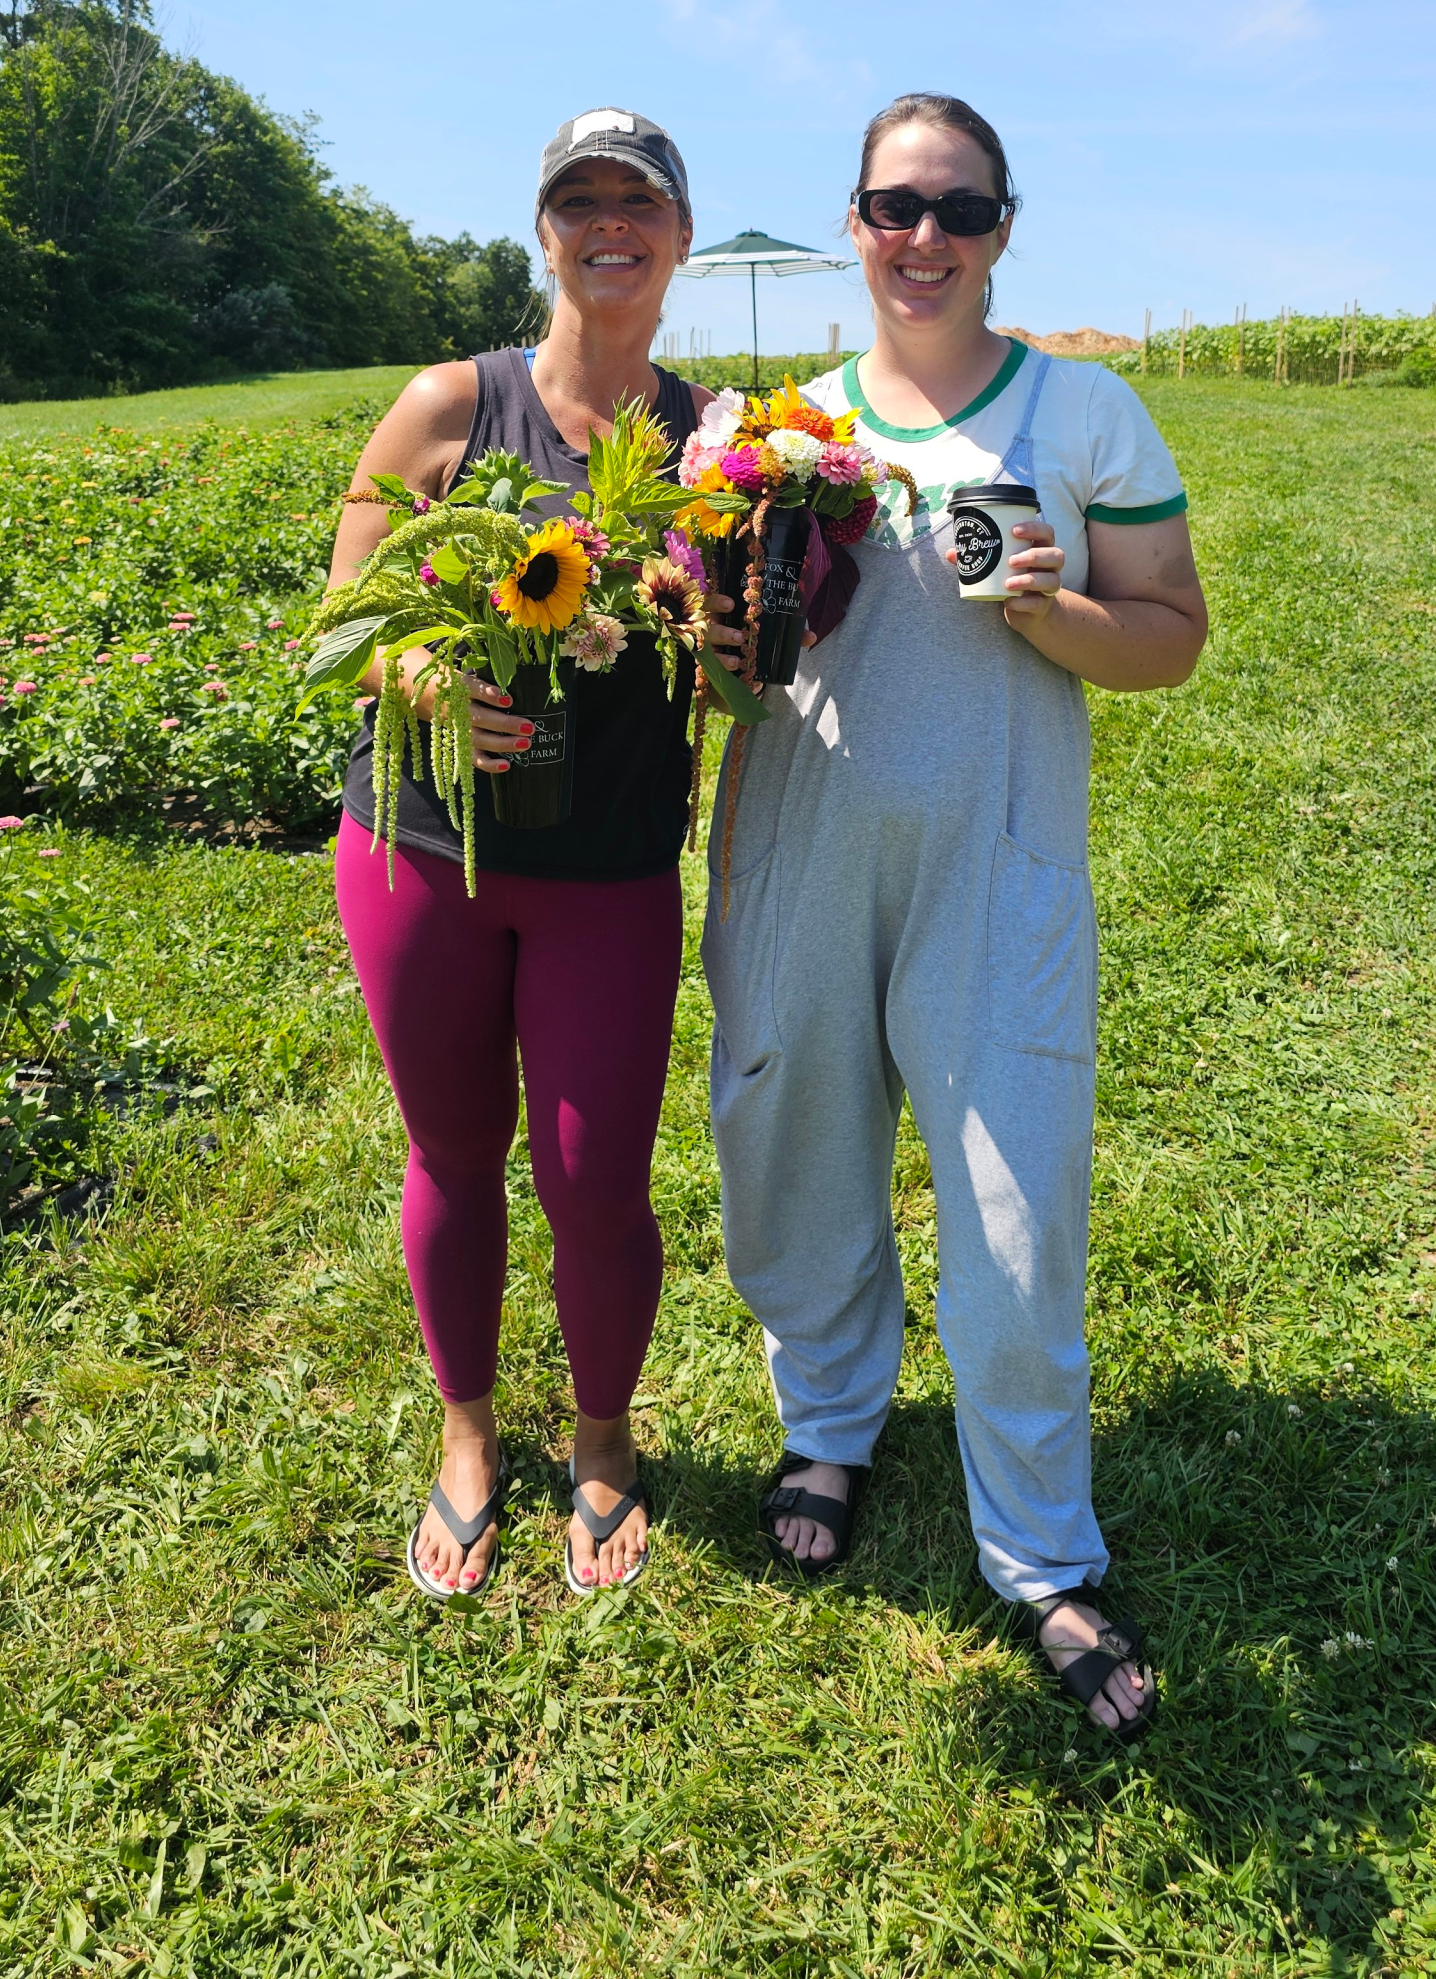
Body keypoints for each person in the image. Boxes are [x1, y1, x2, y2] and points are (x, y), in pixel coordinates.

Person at [701, 92, 1207, 1740]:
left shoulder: (1083, 412)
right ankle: (830, 1420)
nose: (924, 240)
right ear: (852, 224)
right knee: (794, 1145)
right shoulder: (772, 430)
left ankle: (1043, 1552)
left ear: (1006, 227)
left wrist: (1055, 604)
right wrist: (708, 612)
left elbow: (1172, 636)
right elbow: (724, 663)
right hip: (796, 846)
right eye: (893, 207)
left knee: (1013, 1211)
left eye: (959, 210)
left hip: (996, 864)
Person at [330, 108, 733, 1602]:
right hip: (421, 851)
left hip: (611, 866)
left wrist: (740, 633)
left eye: (640, 200)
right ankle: (467, 1433)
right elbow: (342, 622)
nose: (609, 221)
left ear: (680, 239)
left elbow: (757, 647)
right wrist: (427, 682)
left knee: (595, 1177)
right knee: (452, 1154)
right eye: (581, 198)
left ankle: (607, 1437)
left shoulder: (720, 442)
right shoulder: (449, 406)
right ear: (545, 229)